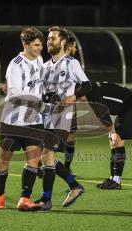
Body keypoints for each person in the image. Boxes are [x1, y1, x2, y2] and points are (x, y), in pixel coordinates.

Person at [31, 26, 92, 210]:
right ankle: (74, 186)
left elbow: (88, 86)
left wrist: (74, 96)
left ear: (63, 41)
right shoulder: (45, 66)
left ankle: (46, 200)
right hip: (46, 115)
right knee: (46, 157)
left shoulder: (71, 63)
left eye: (53, 38)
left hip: (62, 116)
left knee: (47, 155)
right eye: (48, 38)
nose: (49, 41)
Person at [0, 26, 46, 210]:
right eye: (37, 45)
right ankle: (0, 194)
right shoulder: (15, 64)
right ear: (25, 44)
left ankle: (24, 198)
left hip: (35, 120)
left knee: (33, 158)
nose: (41, 48)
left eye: (41, 44)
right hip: (13, 121)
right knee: (5, 157)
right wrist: (36, 100)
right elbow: (14, 91)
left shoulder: (40, 60)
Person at [62, 80, 132, 189]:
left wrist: (113, 132)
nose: (78, 101)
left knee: (117, 141)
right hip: (125, 108)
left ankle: (116, 181)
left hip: (131, 107)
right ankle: (112, 178)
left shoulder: (94, 96)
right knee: (112, 142)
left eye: (77, 98)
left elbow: (104, 116)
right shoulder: (90, 87)